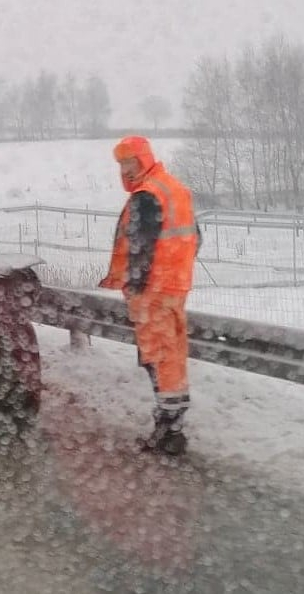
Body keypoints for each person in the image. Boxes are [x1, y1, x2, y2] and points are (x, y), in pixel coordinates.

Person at [99, 136, 200, 456]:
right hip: (174, 286)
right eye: (121, 165)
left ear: (142, 160)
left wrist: (136, 284)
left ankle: (169, 426)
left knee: (157, 356)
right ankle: (172, 423)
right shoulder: (174, 188)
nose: (125, 170)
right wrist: (174, 269)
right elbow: (195, 237)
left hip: (152, 291)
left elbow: (141, 245)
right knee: (170, 352)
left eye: (128, 163)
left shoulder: (146, 195)